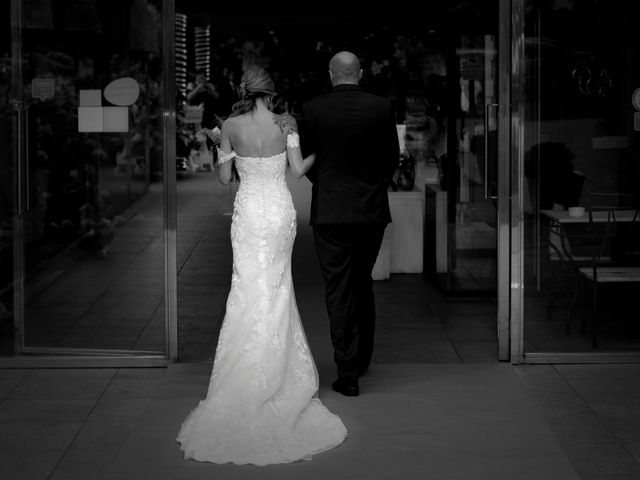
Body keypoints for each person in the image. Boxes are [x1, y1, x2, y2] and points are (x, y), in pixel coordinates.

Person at [176, 65, 347, 465]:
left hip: (249, 212)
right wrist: (324, 148)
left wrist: (222, 144)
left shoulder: (230, 125)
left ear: (243, 91)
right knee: (277, 287)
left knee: (246, 287)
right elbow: (299, 170)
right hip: (279, 213)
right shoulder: (285, 122)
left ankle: (241, 379)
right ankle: (279, 375)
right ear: (271, 93)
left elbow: (223, 179)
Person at [299, 51, 400, 397]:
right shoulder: (381, 107)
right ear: (361, 73)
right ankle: (362, 359)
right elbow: (391, 159)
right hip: (371, 209)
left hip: (330, 209)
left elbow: (308, 159)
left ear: (331, 74)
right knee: (361, 282)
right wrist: (372, 187)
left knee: (338, 288)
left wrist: (326, 185)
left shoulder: (312, 109)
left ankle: (348, 372)